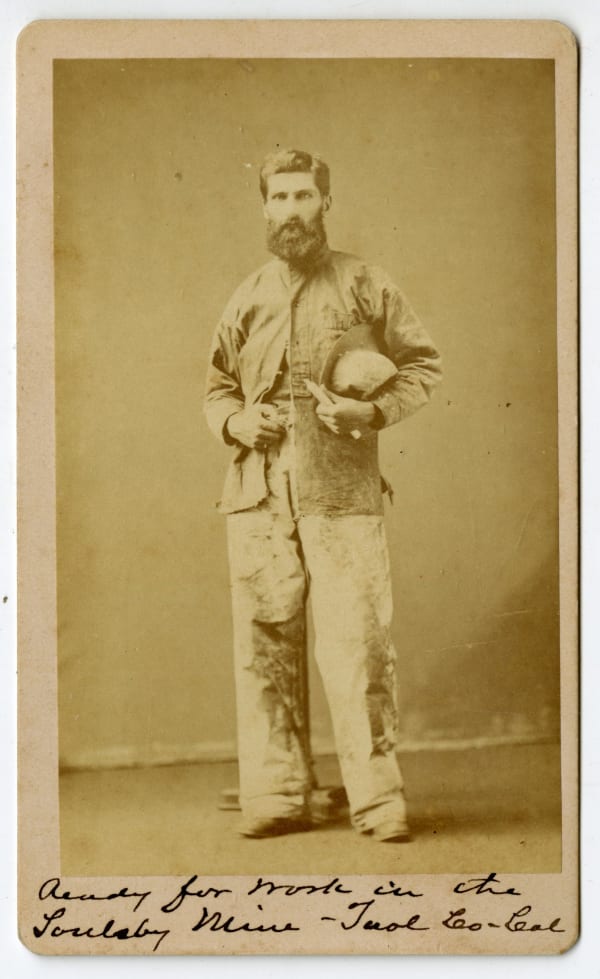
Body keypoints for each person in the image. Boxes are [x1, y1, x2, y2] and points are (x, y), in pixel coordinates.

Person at [204, 149, 441, 842]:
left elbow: (423, 364)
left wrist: (368, 414)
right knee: (265, 643)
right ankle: (279, 792)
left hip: (341, 489)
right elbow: (215, 385)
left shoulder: (366, 283)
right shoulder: (246, 295)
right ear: (264, 208)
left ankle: (376, 799)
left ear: (325, 203)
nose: (291, 212)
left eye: (303, 196)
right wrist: (236, 421)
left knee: (358, 643)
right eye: (277, 198)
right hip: (256, 493)